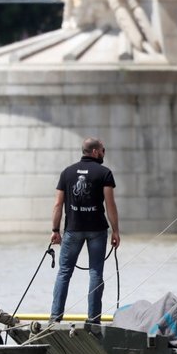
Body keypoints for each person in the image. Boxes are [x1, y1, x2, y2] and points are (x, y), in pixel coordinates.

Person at [50, 137, 121, 323]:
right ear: (96, 151)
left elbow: (58, 204)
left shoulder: (67, 173)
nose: (104, 153)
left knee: (64, 272)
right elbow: (110, 204)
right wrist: (116, 230)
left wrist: (55, 230)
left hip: (73, 229)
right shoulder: (104, 173)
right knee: (95, 272)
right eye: (103, 150)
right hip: (97, 230)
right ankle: (93, 320)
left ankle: (55, 318)